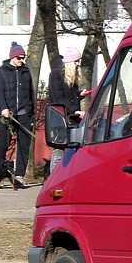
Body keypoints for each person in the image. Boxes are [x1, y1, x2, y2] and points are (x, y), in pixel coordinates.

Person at [0, 41, 35, 189]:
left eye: (23, 58)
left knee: (24, 145)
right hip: (7, 114)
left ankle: (19, 175)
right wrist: (3, 108)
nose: (21, 61)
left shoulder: (26, 72)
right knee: (3, 145)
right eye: (19, 58)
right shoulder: (2, 72)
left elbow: (31, 93)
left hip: (24, 113)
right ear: (12, 57)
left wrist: (31, 113)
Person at [46, 46, 86, 174]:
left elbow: (69, 98)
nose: (78, 64)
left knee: (73, 147)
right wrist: (75, 110)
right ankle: (55, 177)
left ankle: (67, 174)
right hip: (59, 118)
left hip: (70, 117)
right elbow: (58, 98)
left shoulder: (71, 76)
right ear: (69, 61)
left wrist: (79, 96)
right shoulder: (56, 74)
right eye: (76, 61)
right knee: (59, 149)